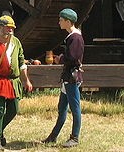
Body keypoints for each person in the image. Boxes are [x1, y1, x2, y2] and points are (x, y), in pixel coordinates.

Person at [0, 15, 33, 150]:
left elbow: (21, 63)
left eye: (12, 28)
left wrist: (26, 80)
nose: (10, 30)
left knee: (14, 109)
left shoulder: (16, 42)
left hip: (13, 82)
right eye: (8, 28)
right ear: (0, 28)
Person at [43, 8, 84, 148]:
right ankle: (53, 136)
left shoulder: (75, 37)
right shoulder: (72, 37)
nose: (59, 22)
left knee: (75, 107)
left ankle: (75, 138)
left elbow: (73, 57)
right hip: (68, 77)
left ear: (68, 21)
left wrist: (60, 58)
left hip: (71, 77)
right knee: (62, 108)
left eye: (61, 20)